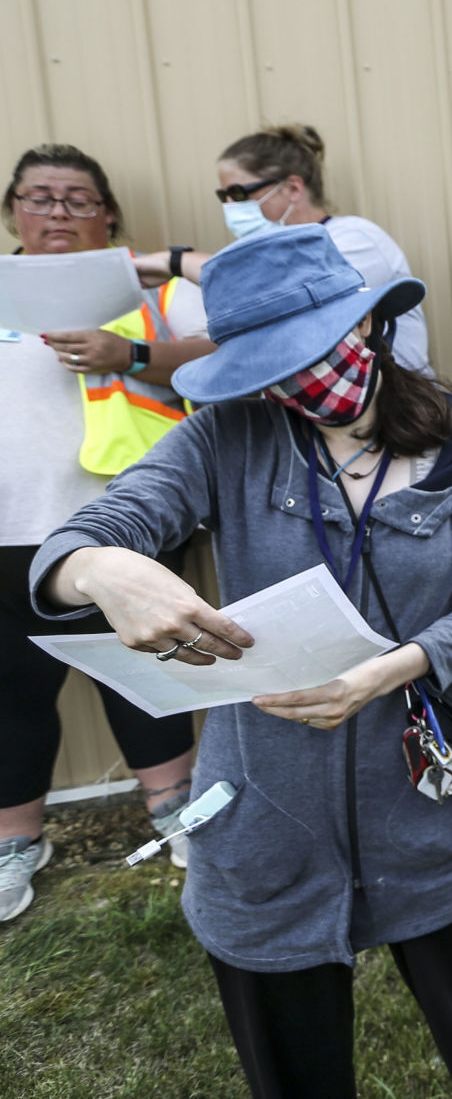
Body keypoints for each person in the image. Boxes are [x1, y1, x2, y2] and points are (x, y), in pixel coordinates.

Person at [29, 226, 452, 1099]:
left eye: (311, 353)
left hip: (431, 814)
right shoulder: (226, 438)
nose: (297, 385)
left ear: (370, 324)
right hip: (264, 824)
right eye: (269, 369)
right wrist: (99, 570)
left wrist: (393, 669)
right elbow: (87, 536)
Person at [0, 143, 216, 923]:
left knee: (146, 671)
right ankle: (15, 841)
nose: (57, 212)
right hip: (6, 532)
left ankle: (176, 808)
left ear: (108, 213)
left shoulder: (148, 289)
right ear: (13, 209)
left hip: (126, 522)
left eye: (77, 199)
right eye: (39, 197)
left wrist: (130, 353)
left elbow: (231, 357)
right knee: (11, 688)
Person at [136, 123, 430, 372]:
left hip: (399, 412)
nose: (230, 206)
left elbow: (282, 296)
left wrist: (177, 262)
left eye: (238, 193)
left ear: (292, 188)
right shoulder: (262, 260)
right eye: (223, 196)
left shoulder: (356, 238)